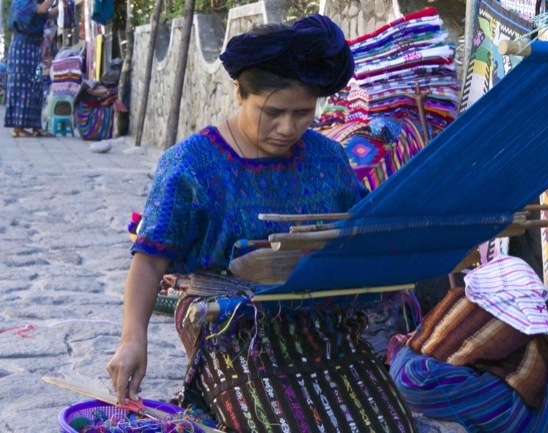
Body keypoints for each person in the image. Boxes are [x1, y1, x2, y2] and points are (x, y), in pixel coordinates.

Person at [107, 14, 416, 433]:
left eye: (303, 112)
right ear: (239, 91)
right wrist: (132, 339)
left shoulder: (327, 158)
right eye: (272, 112)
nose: (288, 127)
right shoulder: (191, 165)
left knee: (387, 426)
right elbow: (148, 262)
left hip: (319, 321)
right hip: (229, 325)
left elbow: (359, 236)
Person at [4, 0, 57, 138]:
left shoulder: (34, 6)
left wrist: (64, 6)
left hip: (34, 50)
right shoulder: (21, 3)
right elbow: (42, 9)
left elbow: (47, 13)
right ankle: (17, 127)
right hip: (21, 50)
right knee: (22, 88)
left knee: (36, 87)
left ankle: (36, 126)